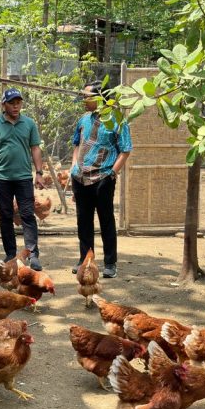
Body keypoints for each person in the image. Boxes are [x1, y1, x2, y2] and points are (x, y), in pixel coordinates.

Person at [70, 82, 132, 279]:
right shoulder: (83, 119)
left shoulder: (117, 120)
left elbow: (125, 149)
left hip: (103, 177)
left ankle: (110, 263)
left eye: (87, 96)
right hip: (80, 178)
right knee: (83, 221)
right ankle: (85, 260)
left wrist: (112, 174)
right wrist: (73, 167)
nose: (83, 99)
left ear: (99, 98)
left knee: (106, 220)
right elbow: (76, 144)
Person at [0, 88, 46, 270]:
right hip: (1, 178)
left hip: (24, 177)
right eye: (12, 102)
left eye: (18, 102)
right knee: (5, 216)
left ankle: (32, 254)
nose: (16, 105)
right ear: (4, 104)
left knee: (27, 215)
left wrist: (39, 173)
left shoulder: (29, 124)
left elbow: (35, 148)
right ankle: (10, 253)